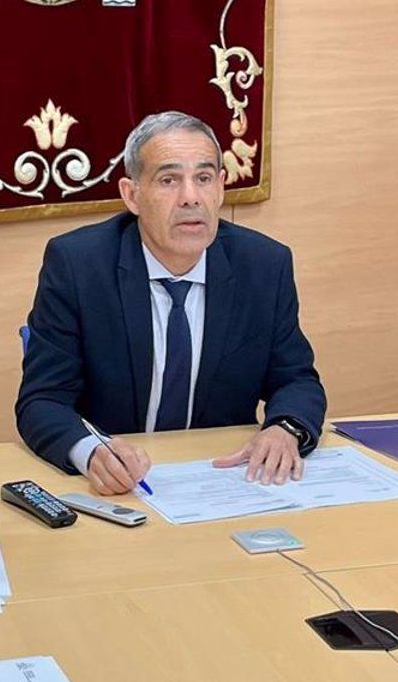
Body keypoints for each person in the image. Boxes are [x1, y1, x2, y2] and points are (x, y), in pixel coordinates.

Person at [16, 110, 327, 495]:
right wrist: (90, 453)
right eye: (169, 180)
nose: (191, 198)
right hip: (122, 484)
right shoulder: (79, 266)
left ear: (221, 187)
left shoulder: (264, 266)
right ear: (131, 195)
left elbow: (296, 380)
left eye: (204, 178)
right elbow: (42, 399)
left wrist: (286, 428)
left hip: (224, 480)